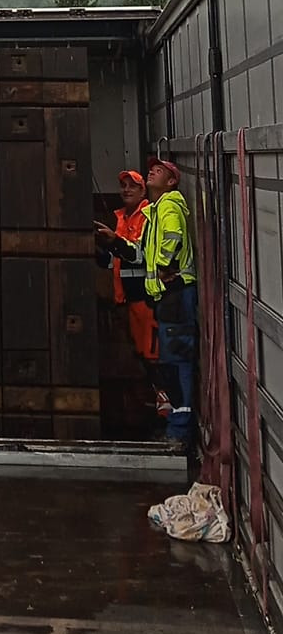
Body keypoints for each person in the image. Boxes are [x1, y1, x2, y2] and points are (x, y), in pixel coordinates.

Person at [96, 158, 197, 451]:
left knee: (174, 365)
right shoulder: (153, 212)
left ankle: (178, 431)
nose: (153, 171)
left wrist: (165, 266)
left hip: (169, 296)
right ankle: (173, 425)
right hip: (158, 298)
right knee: (168, 364)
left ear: (170, 182)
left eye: (159, 171)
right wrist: (113, 243)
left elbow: (172, 239)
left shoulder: (166, 207)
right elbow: (140, 254)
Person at [97, 170, 157, 369]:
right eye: (123, 185)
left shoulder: (148, 216)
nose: (126, 189)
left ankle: (163, 396)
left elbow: (140, 256)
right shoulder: (121, 218)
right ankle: (153, 395)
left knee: (152, 352)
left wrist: (115, 242)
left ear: (143, 190)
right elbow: (114, 261)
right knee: (139, 351)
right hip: (127, 298)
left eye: (133, 185)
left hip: (146, 297)